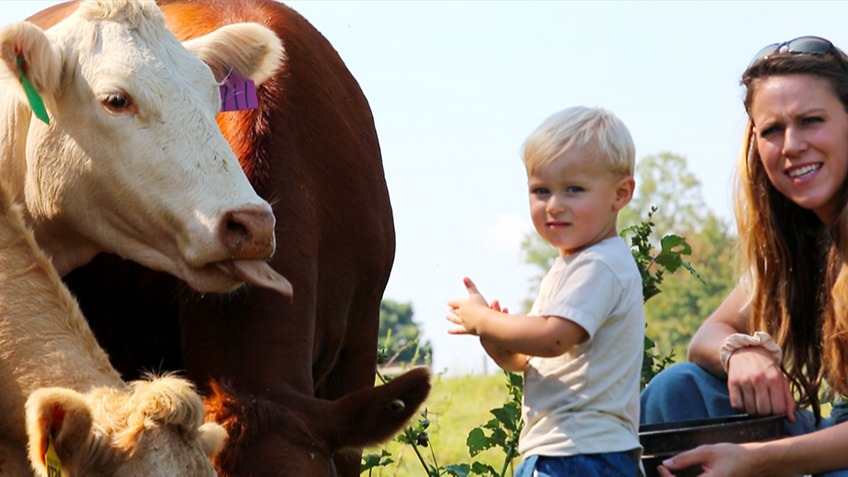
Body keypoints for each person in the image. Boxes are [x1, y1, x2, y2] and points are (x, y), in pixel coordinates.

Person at [640, 36, 848, 477]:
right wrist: (741, 352)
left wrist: (754, 460)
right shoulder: (804, 241)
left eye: (811, 121)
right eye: (772, 130)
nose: (791, 145)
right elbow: (707, 336)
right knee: (678, 390)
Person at [446, 106, 644, 476]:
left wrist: (484, 318)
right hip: (569, 452)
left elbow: (553, 339)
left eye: (574, 189)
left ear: (621, 194)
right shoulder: (574, 266)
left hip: (579, 454)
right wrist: (493, 337)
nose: (554, 205)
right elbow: (531, 362)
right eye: (541, 190)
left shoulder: (598, 265)